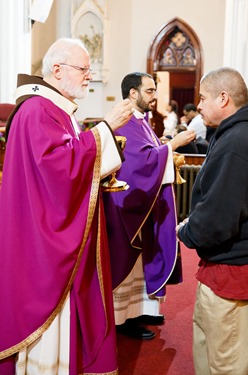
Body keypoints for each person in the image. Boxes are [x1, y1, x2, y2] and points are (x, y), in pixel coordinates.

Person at [0, 37, 134, 374]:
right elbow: (59, 170)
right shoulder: (37, 110)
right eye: (83, 69)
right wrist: (106, 128)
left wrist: (98, 172)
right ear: (57, 70)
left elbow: (69, 164)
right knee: (50, 316)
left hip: (52, 229)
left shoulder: (55, 109)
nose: (90, 75)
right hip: (42, 242)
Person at [177, 67, 248, 375]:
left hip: (234, 270)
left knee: (226, 361)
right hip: (244, 263)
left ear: (224, 98)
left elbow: (219, 218)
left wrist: (187, 230)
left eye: (203, 98)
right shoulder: (247, 133)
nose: (199, 105)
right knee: (243, 356)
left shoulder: (239, 142)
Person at [103, 72, 196, 340]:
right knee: (129, 262)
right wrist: (173, 145)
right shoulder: (124, 121)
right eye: (150, 91)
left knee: (143, 261)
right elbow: (137, 165)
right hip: (126, 209)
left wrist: (165, 151)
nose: (155, 96)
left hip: (143, 206)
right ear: (133, 93)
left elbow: (150, 154)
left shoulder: (140, 120)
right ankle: (124, 319)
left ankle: (141, 310)